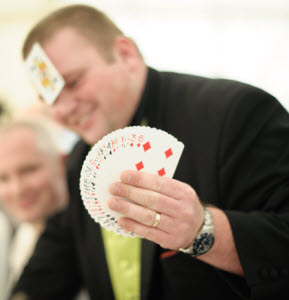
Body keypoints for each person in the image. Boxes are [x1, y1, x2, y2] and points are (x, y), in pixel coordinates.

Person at [10, 4, 289, 300]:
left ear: (125, 54)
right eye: (49, 97)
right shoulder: (81, 160)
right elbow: (53, 261)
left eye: (74, 82)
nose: (63, 109)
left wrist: (203, 230)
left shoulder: (236, 112)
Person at [0, 118, 68, 299]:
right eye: (3, 178)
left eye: (28, 170)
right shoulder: (23, 236)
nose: (17, 190)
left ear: (61, 163)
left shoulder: (91, 232)